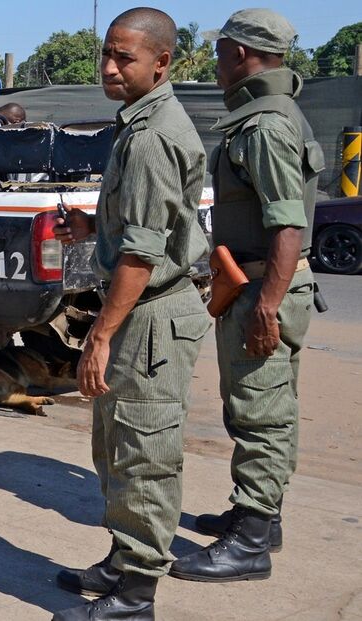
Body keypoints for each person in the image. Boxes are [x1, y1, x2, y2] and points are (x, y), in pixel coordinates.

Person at [50, 8, 211, 620]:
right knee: (116, 447)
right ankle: (123, 560)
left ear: (161, 63)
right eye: (108, 55)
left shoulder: (151, 136)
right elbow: (147, 227)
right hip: (143, 312)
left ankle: (137, 593)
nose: (111, 68)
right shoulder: (138, 124)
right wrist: (94, 227)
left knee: (144, 455)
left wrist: (100, 335)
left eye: (127, 58)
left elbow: (144, 258)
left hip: (150, 319)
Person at [169, 9, 322, 583]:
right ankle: (259, 517)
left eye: (220, 51)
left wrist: (266, 305)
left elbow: (287, 225)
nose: (215, 61)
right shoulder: (269, 115)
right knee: (264, 406)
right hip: (259, 282)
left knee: (259, 413)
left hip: (264, 285)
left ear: (241, 55)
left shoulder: (264, 126)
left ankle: (252, 540)